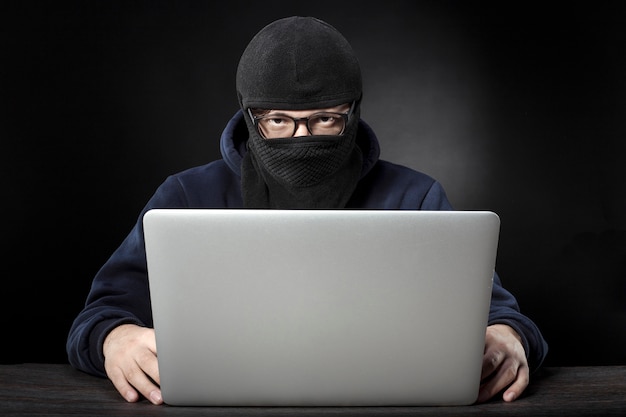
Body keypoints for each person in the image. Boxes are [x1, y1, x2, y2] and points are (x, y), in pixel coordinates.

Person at [67, 16, 548, 406]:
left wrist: (508, 338)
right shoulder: (185, 195)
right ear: (249, 115)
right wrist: (116, 340)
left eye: (325, 120)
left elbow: (499, 313)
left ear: (353, 112)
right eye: (278, 121)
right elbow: (100, 313)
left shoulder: (416, 196)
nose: (302, 138)